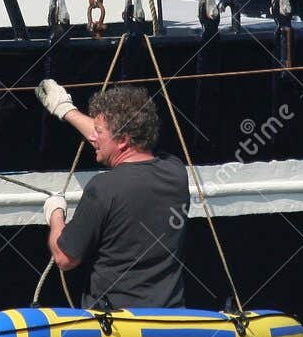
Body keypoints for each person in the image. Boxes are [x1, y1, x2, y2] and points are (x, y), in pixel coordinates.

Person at [36, 80, 189, 309]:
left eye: (99, 132)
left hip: (117, 327)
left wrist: (55, 213)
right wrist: (66, 110)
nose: (93, 138)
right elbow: (122, 141)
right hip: (168, 320)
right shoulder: (176, 171)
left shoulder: (103, 188)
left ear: (124, 140)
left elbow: (64, 258)